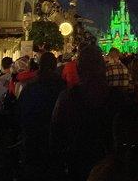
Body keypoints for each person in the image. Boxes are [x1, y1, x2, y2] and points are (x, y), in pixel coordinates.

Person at [50, 44, 124, 181]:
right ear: (103, 68)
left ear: (79, 70)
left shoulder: (66, 98)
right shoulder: (119, 98)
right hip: (110, 167)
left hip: (78, 164)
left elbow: (56, 137)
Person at [19, 52, 65, 177]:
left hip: (33, 139)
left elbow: (20, 111)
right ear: (55, 65)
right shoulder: (62, 87)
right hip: (54, 141)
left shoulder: (30, 86)